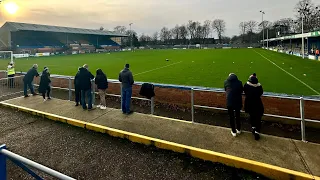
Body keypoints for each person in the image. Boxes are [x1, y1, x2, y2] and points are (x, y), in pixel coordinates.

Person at [244, 73, 264, 140]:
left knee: (252, 116)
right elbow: (261, 92)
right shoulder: (259, 87)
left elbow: (245, 88)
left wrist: (250, 78)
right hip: (258, 104)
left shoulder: (247, 86)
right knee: (258, 118)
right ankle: (257, 131)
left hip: (250, 104)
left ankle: (253, 127)